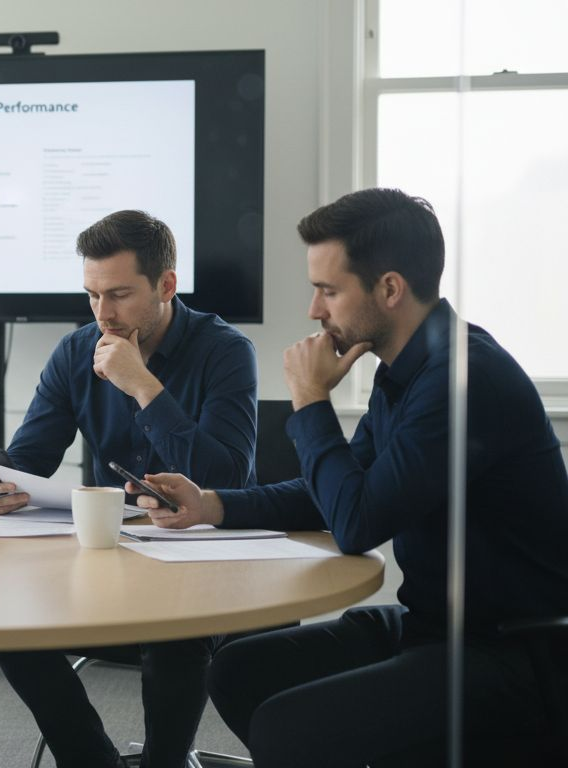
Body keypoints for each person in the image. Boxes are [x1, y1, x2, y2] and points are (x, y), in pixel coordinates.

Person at [129, 188, 568, 767]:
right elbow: (331, 492)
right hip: (434, 627)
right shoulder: (404, 372)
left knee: (290, 731)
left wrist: (310, 401)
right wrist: (211, 504)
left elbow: (357, 522)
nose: (314, 310)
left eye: (328, 291)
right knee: (239, 670)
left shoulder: (460, 380)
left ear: (389, 289)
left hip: (514, 651)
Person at [0, 210, 258, 768]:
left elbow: (226, 477)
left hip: (204, 568)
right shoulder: (75, 352)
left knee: (175, 636)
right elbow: (28, 461)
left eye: (121, 295)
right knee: (8, 624)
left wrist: (141, 384)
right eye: (92, 295)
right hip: (112, 562)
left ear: (167, 285)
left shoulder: (225, 350)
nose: (103, 314)